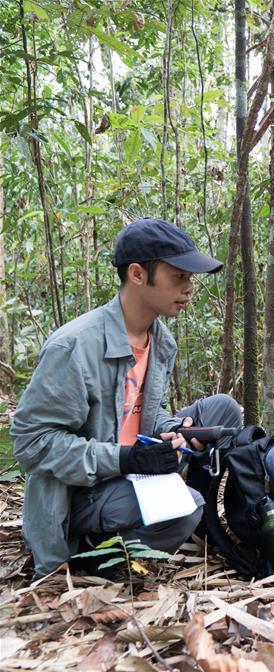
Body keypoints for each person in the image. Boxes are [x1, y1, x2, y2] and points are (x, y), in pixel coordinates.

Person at [12, 218, 243, 577]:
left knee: (223, 411)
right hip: (81, 491)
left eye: (190, 278)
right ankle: (90, 554)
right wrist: (126, 458)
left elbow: (140, 413)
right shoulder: (74, 347)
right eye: (178, 276)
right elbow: (33, 444)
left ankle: (178, 517)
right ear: (138, 274)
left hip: (135, 467)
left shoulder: (160, 341)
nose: (189, 288)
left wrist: (174, 430)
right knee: (186, 507)